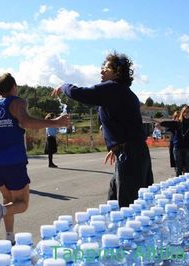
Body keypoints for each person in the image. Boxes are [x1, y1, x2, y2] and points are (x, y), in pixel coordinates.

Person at [0, 73, 69, 242]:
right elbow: (26, 122)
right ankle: (0, 212)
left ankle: (10, 238)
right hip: (13, 161)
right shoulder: (17, 102)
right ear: (14, 87)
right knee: (22, 203)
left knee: (7, 200)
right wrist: (55, 122)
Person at [52, 51, 154, 208]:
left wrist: (63, 86)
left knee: (126, 207)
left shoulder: (113, 89)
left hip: (131, 155)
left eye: (106, 68)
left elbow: (80, 93)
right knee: (114, 201)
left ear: (117, 72)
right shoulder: (122, 92)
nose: (101, 71)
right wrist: (116, 145)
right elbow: (124, 124)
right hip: (132, 152)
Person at [161, 105, 189, 177]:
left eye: (188, 112)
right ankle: (179, 185)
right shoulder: (178, 123)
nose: (186, 113)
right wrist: (160, 123)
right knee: (178, 169)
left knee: (188, 169)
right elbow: (166, 123)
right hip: (177, 148)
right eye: (184, 112)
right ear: (182, 113)